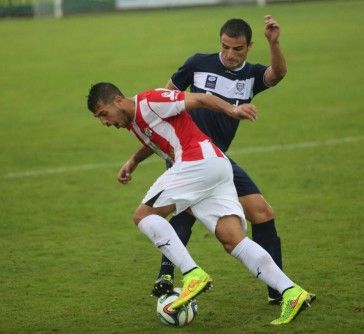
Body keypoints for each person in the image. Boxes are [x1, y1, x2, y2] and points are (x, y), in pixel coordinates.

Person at [86, 82, 314, 325]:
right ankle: (291, 291)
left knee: (143, 216)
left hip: (197, 162)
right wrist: (134, 161)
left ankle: (191, 273)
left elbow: (202, 99)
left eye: (103, 114)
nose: (105, 122)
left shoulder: (150, 101)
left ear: (119, 100)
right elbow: (154, 138)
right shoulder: (134, 121)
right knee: (232, 239)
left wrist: (232, 110)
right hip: (213, 168)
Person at [150, 15, 291, 304]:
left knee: (262, 212)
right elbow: (166, 100)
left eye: (237, 49)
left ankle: (278, 291)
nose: (229, 54)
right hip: (187, 152)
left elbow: (277, 75)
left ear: (249, 47)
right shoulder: (197, 63)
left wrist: (274, 43)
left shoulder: (251, 76)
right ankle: (165, 275)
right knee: (186, 210)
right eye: (225, 46)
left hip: (218, 158)